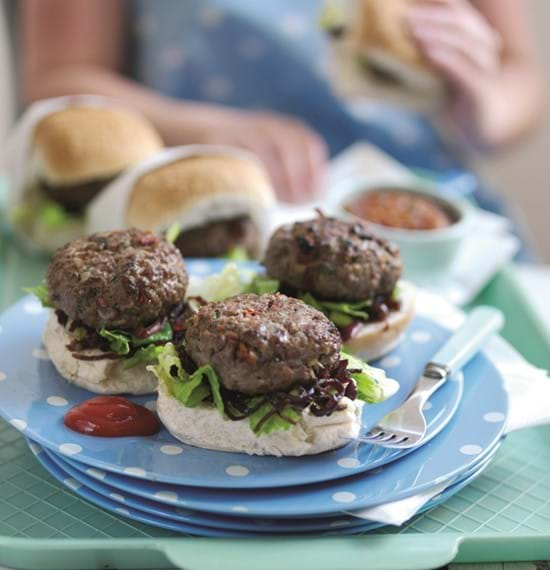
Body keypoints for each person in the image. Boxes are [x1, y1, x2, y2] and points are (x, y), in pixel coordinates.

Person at [21, 0, 542, 207]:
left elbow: (522, 80)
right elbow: (55, 81)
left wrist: (481, 101)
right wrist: (203, 127)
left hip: (426, 209)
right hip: (207, 208)